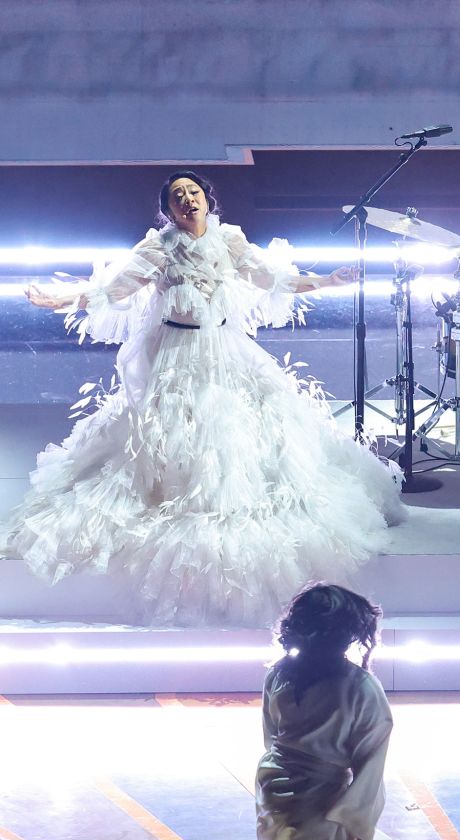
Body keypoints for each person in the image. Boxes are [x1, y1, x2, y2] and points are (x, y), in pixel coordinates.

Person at [6, 171, 405, 627]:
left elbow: (271, 278)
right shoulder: (157, 248)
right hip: (175, 355)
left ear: (207, 200)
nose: (187, 200)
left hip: (224, 349)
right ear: (169, 210)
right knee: (170, 438)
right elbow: (110, 290)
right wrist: (57, 300)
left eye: (193, 193)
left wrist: (330, 279)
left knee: (250, 428)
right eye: (178, 197)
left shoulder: (228, 239)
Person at [256, 583, 393, 840]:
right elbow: (370, 767)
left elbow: (271, 738)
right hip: (324, 809)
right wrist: (362, 830)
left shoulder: (279, 674)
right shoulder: (360, 687)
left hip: (275, 795)